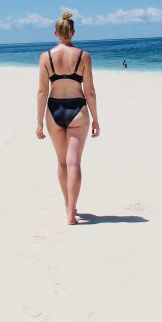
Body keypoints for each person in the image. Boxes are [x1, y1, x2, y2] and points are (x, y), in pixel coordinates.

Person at [36, 11, 100, 225]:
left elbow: (42, 92)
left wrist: (38, 122)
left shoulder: (46, 57)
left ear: (55, 33)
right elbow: (89, 91)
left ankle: (67, 206)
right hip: (78, 110)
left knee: (62, 163)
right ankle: (72, 211)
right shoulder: (84, 56)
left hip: (54, 109)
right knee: (74, 163)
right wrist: (96, 119)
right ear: (72, 32)